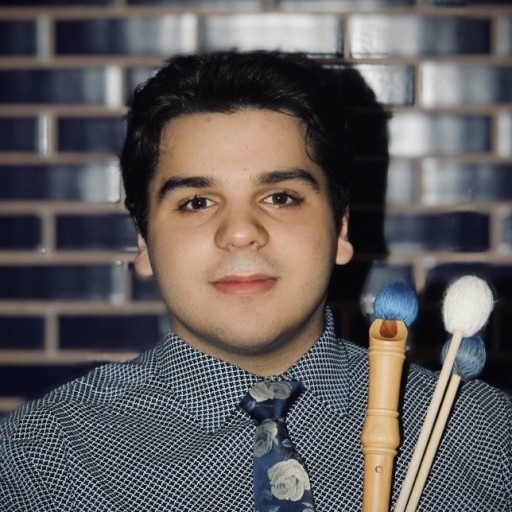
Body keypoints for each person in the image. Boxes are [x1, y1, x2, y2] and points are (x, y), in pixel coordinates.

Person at [0, 51, 510, 511]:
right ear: (144, 242)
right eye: (196, 202)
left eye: (281, 196)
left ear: (341, 229)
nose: (241, 233)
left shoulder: (489, 437)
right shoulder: (37, 461)